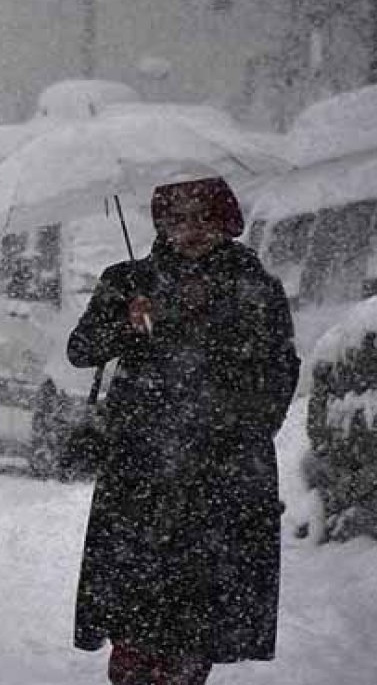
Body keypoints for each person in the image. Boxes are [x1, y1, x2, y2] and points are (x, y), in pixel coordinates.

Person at [66, 176, 300, 685]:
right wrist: (127, 323)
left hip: (222, 467)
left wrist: (247, 426)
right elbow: (81, 349)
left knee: (203, 602)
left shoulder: (255, 287)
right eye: (179, 218)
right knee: (133, 591)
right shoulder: (129, 280)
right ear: (162, 224)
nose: (191, 229)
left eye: (203, 217)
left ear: (225, 222)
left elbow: (281, 370)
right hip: (140, 464)